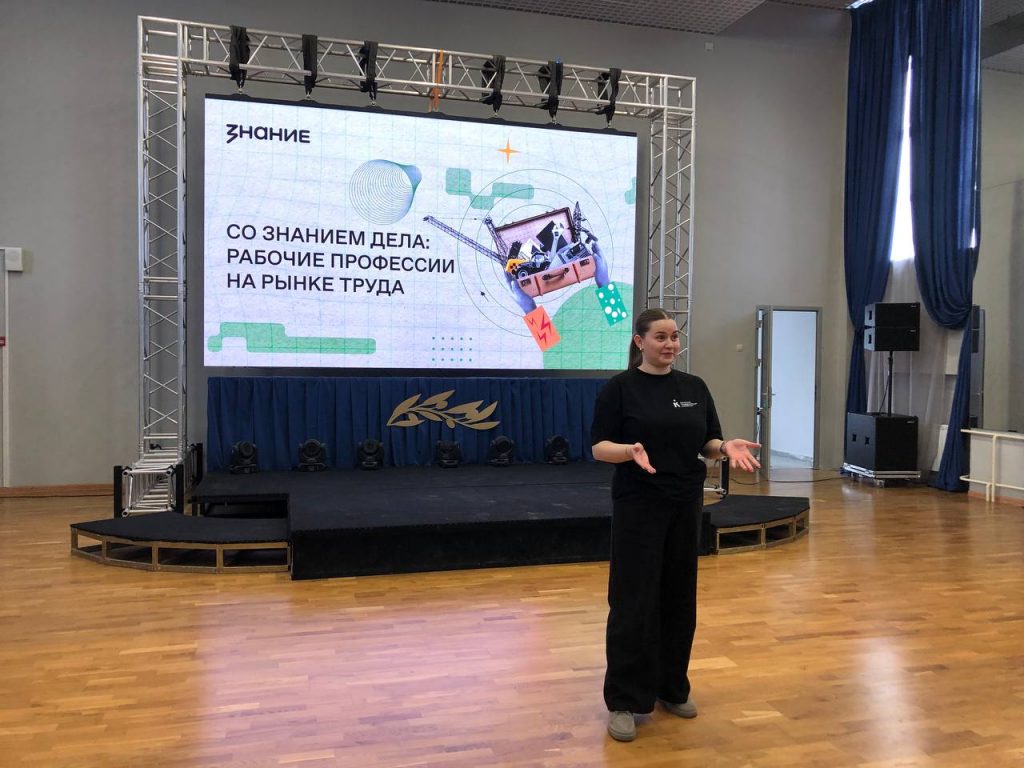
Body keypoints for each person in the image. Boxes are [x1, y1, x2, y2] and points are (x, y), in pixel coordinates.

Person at [590, 307, 760, 742]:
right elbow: (599, 447)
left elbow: (707, 441)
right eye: (660, 337)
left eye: (674, 337)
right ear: (639, 342)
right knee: (633, 600)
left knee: (678, 597)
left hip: (685, 503)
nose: (670, 344)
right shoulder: (620, 388)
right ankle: (625, 700)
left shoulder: (694, 387)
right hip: (638, 504)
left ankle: (672, 687)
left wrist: (725, 446)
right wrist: (628, 452)